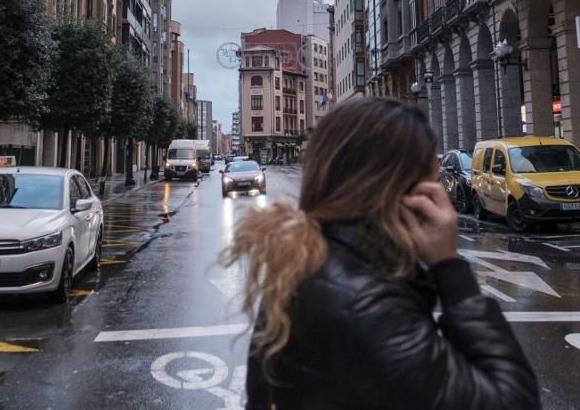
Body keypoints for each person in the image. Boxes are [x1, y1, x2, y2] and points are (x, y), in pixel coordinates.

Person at [222, 97, 539, 409]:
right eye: (431, 184)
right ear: (402, 193)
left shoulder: (303, 264)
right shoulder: (368, 306)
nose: (440, 196)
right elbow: (513, 400)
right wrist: (449, 267)